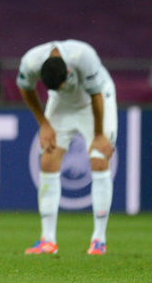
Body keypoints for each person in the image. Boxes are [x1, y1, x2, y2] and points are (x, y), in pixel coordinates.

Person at [17, 40, 117, 256]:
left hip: (96, 101)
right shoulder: (30, 62)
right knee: (48, 159)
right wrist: (43, 123)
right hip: (62, 105)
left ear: (69, 71)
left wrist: (99, 135)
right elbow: (25, 89)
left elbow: (96, 96)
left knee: (99, 158)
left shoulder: (83, 56)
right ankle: (47, 240)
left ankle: (99, 240)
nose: (62, 87)